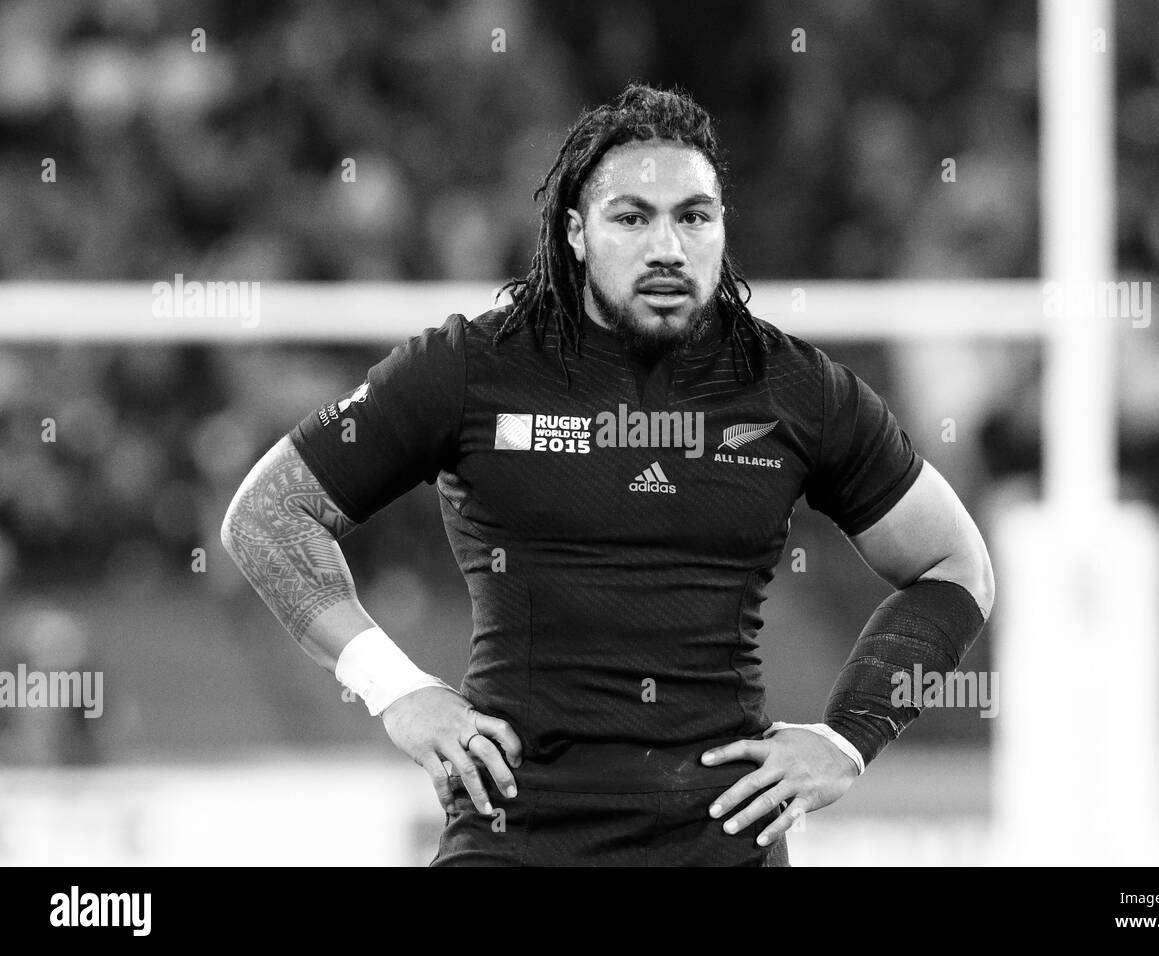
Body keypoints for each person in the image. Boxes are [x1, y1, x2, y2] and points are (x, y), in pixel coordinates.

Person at [221, 83, 994, 867]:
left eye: (694, 215)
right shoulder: (469, 369)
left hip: (721, 847)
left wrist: (848, 738)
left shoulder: (794, 387)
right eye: (632, 217)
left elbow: (954, 563)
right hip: (514, 843)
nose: (668, 246)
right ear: (576, 233)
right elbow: (266, 515)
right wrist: (393, 688)